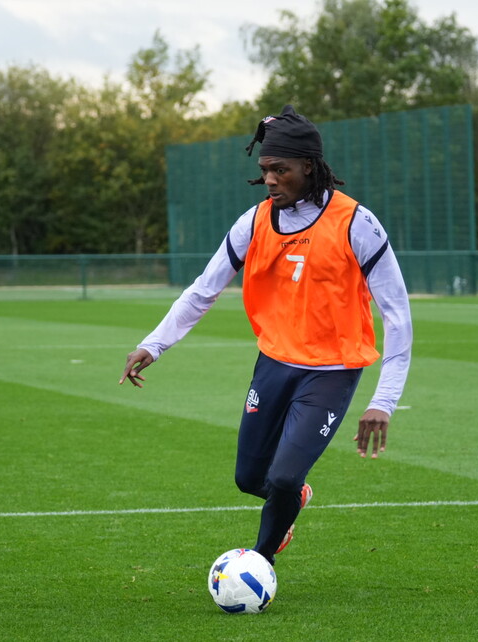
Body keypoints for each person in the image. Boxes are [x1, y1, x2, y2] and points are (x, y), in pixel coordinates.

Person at [118, 105, 412, 565]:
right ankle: (293, 498)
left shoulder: (357, 223)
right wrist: (154, 343)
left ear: (308, 167)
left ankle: (259, 563)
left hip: (331, 371)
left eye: (281, 169)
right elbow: (202, 291)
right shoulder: (253, 222)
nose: (271, 179)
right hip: (274, 363)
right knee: (249, 477)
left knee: (282, 478)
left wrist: (383, 401)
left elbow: (398, 317)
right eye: (265, 170)